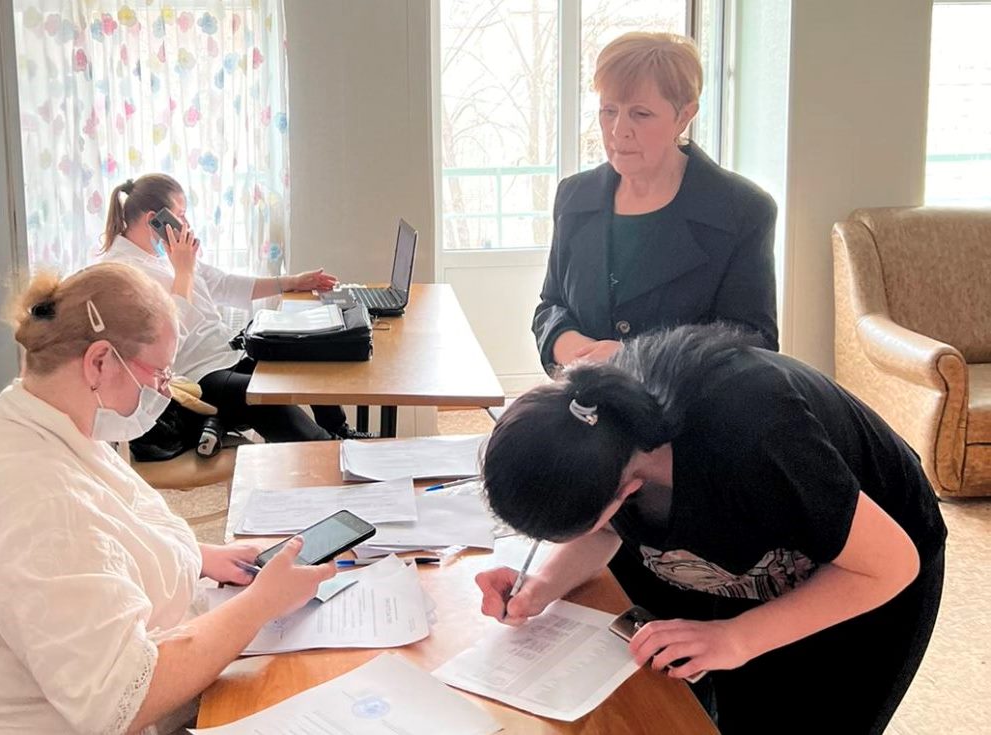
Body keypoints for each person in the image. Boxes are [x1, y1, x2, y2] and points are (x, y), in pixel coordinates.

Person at [0, 264, 336, 733]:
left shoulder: (38, 418)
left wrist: (201, 556)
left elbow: (114, 530)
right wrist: (259, 605)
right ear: (99, 362)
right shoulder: (37, 502)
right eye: (159, 372)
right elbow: (121, 702)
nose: (163, 390)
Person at [476, 324, 946, 734]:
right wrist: (538, 586)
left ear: (626, 489)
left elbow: (889, 565)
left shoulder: (755, 436)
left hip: (872, 562)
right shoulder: (599, 430)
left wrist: (738, 638)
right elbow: (603, 530)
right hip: (757, 552)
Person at [534, 32, 778, 374]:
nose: (619, 130)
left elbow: (754, 341)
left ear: (684, 116)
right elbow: (552, 306)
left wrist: (634, 358)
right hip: (587, 410)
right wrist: (569, 346)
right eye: (609, 111)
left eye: (641, 114)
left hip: (688, 419)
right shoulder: (574, 196)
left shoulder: (744, 209)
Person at [99, 173, 372, 445]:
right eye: (180, 216)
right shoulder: (122, 273)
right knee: (269, 397)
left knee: (304, 355)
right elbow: (165, 341)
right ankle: (332, 452)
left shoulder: (165, 255)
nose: (187, 224)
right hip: (195, 377)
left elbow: (224, 284)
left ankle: (340, 431)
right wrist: (183, 271)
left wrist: (292, 282)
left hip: (228, 352)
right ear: (153, 221)